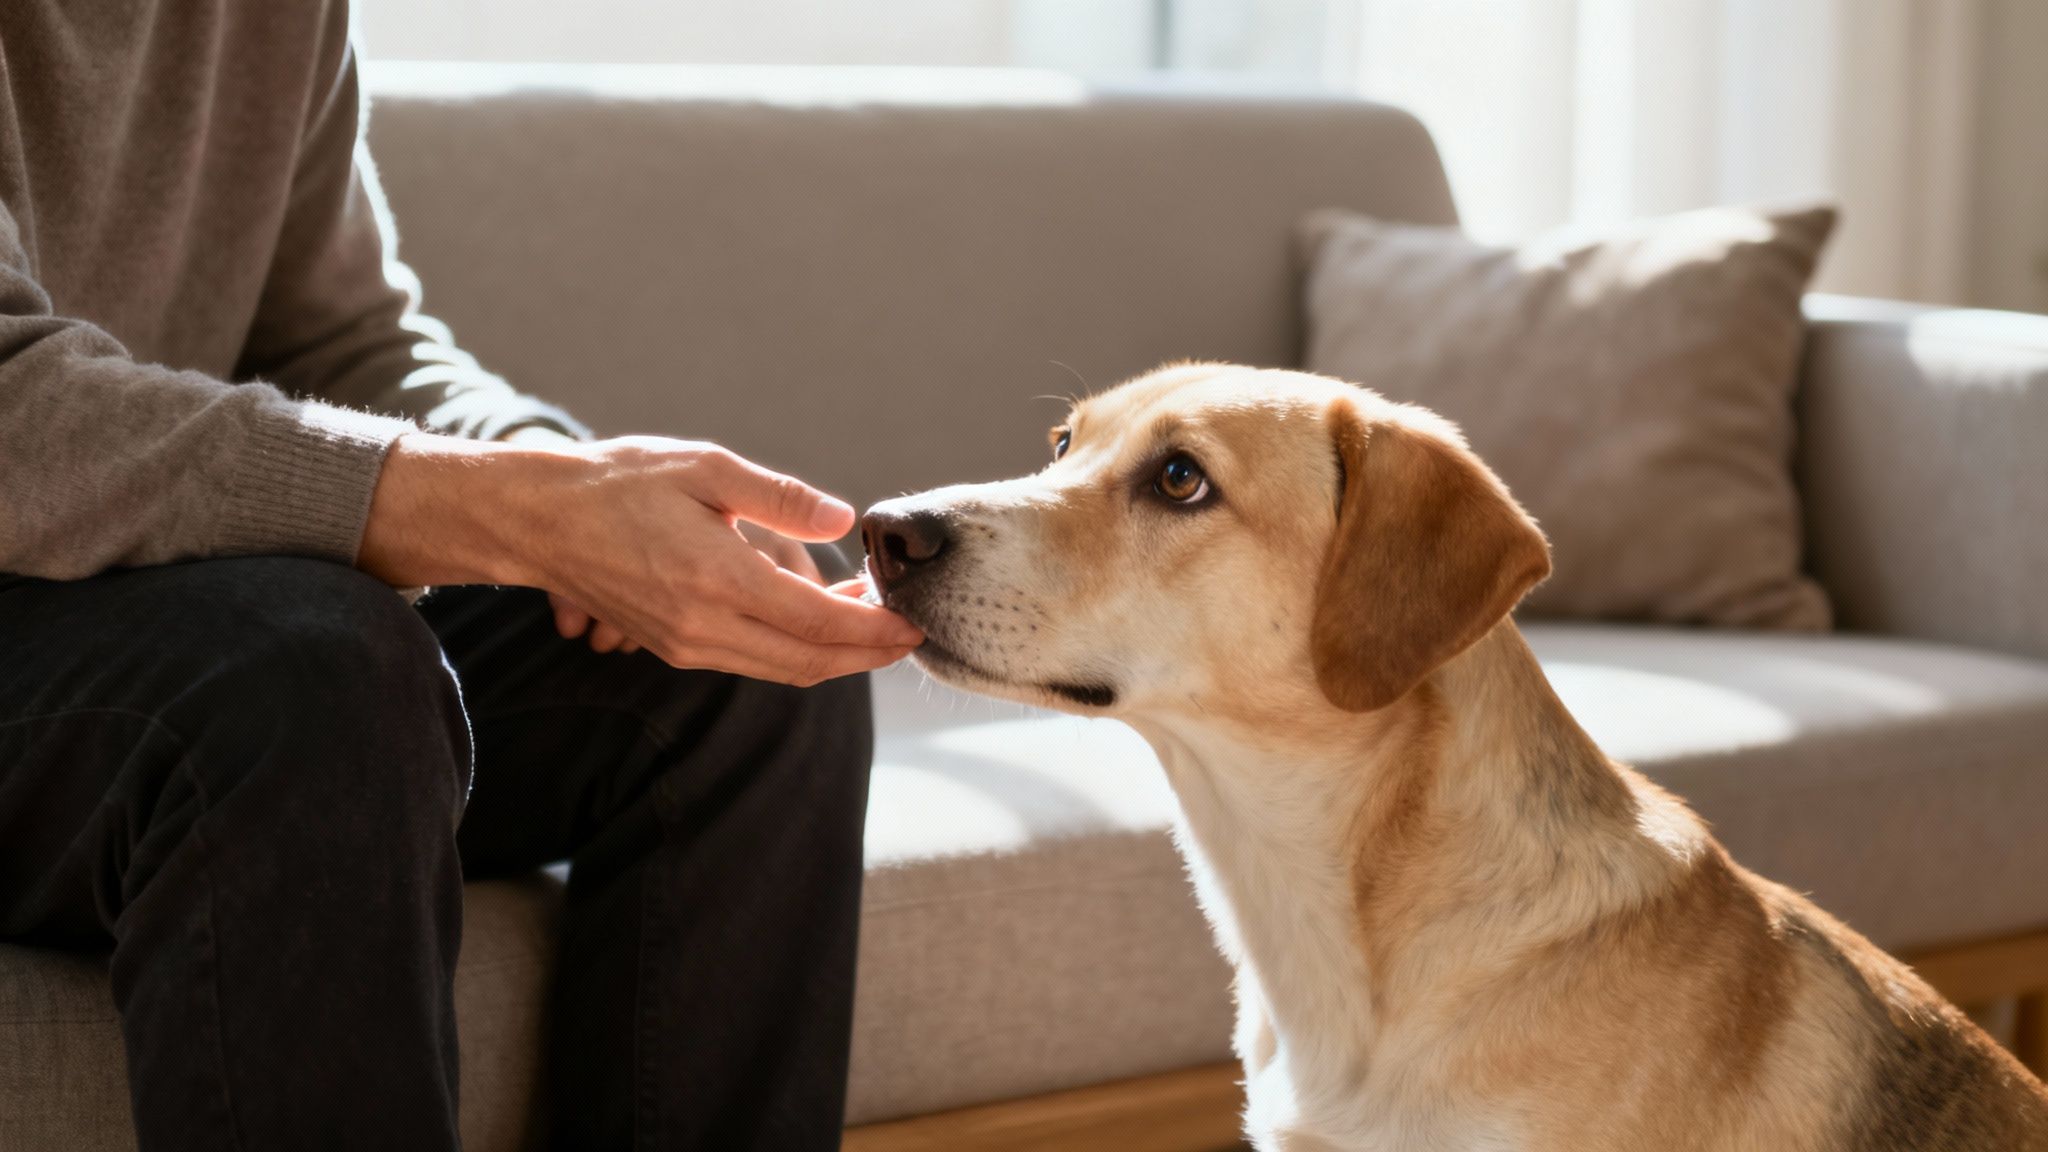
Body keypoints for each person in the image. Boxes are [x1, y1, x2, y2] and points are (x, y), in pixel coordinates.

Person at [0, 4, 922, 1149]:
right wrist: (516, 515)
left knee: (741, 666)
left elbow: (340, 342)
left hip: (129, 608)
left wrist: (562, 480)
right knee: (314, 674)